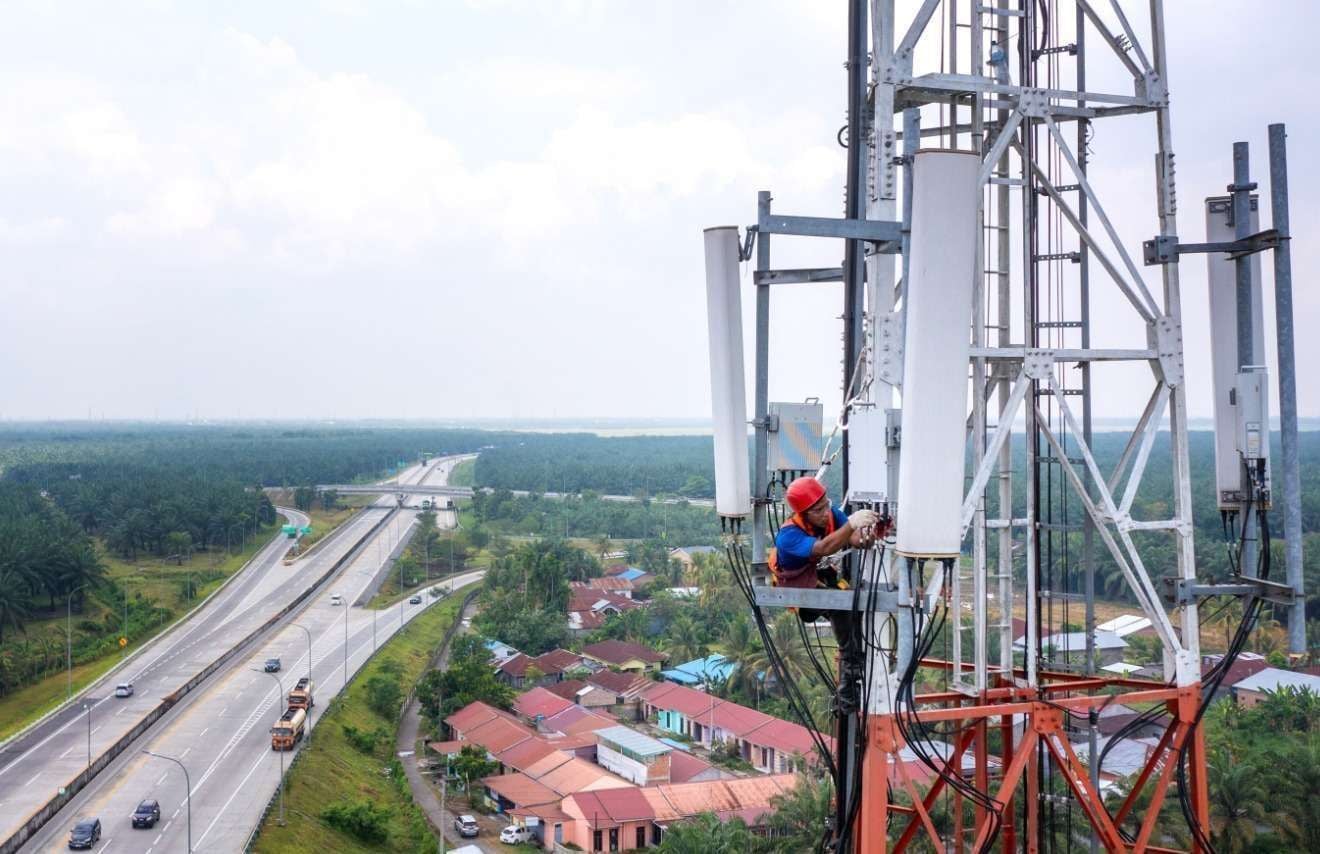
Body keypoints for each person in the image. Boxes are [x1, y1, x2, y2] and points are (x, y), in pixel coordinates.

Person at [770, 476, 877, 593]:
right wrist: (852, 524)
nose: (826, 513)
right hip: (793, 578)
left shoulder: (832, 514)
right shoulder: (788, 536)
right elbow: (823, 548)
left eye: (827, 504)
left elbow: (855, 539)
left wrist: (869, 535)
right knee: (818, 609)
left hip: (814, 568)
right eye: (818, 510)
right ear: (803, 514)